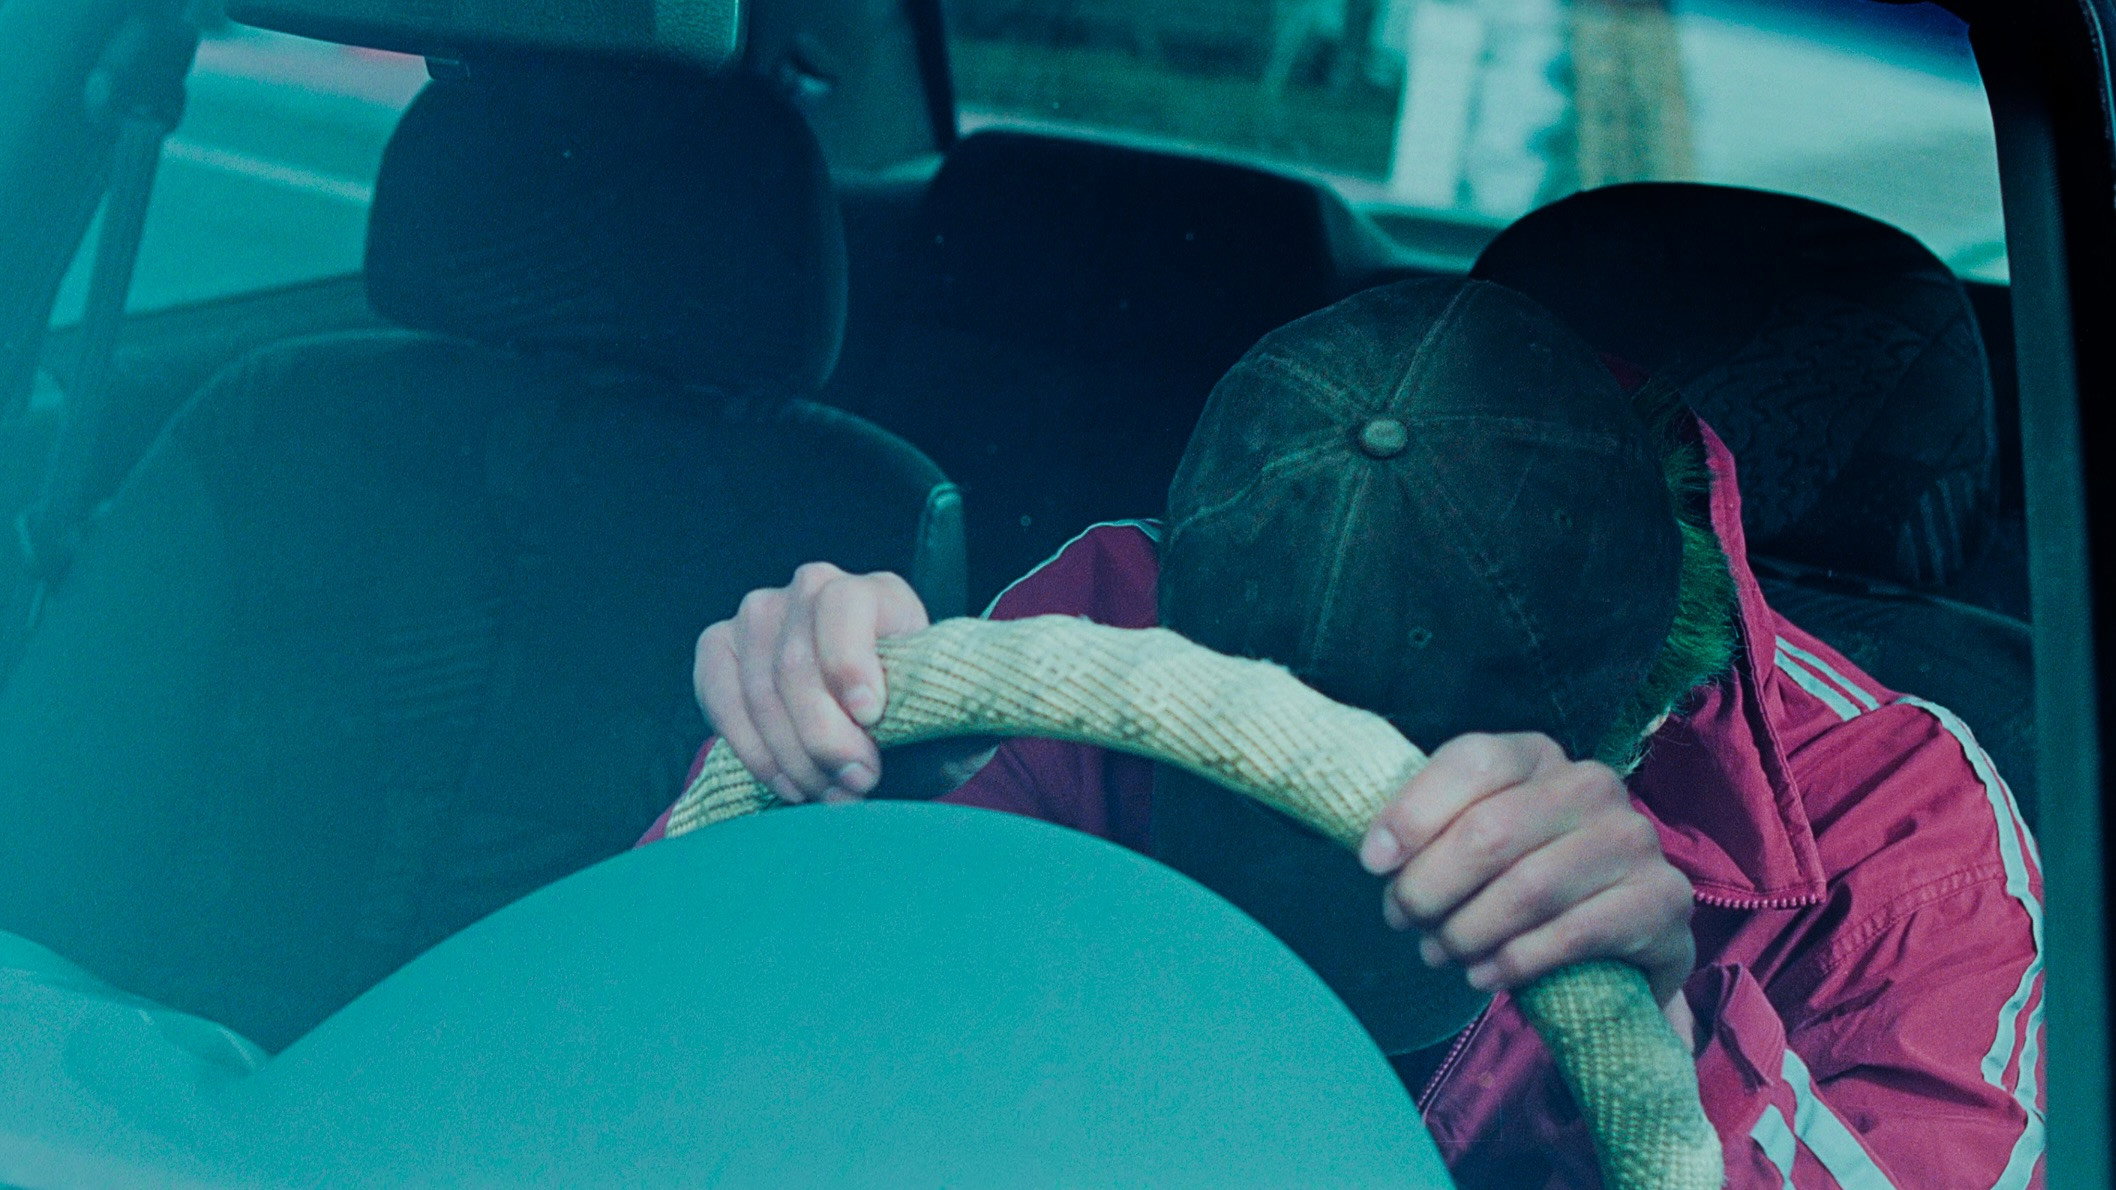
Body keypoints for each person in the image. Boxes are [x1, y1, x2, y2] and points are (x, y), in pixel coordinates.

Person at [639, 278, 2044, 1187]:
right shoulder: (1100, 622)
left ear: (1651, 719)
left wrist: (1664, 1049)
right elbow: (681, 1066)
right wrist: (823, 813)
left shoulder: (1910, 841)